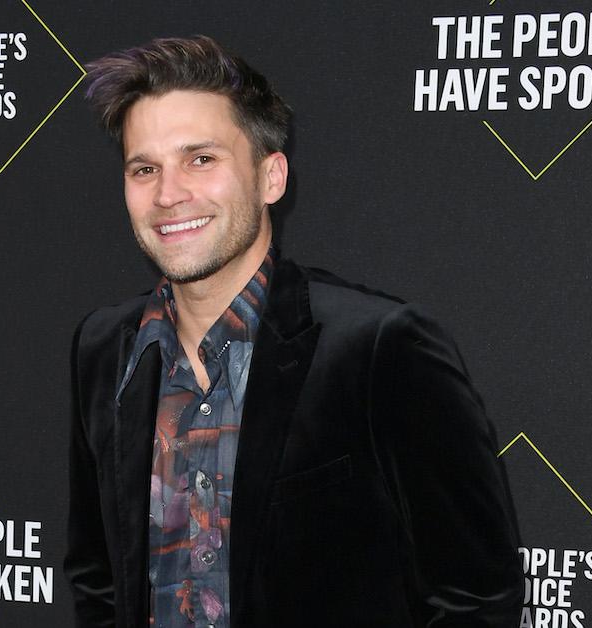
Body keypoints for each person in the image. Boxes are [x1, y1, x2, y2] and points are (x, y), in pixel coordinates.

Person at [64, 35, 523, 627]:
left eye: (201, 159)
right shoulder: (105, 351)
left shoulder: (381, 349)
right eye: (144, 168)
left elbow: (477, 600)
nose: (169, 193)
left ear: (271, 177)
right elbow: (99, 584)